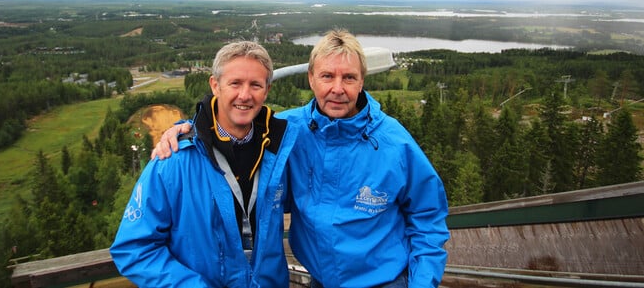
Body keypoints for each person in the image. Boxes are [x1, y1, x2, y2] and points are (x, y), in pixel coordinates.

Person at [156, 29, 450, 288]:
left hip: (384, 282)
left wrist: (422, 283)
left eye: (349, 77)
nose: (338, 88)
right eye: (327, 76)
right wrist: (185, 130)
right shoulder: (286, 131)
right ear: (311, 79)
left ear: (362, 82)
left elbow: (428, 217)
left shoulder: (393, 143)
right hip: (320, 279)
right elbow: (231, 126)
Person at [111, 41, 297, 287]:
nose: (245, 95)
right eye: (235, 83)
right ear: (215, 85)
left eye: (255, 85)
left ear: (267, 90)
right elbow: (134, 248)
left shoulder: (281, 150)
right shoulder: (173, 161)